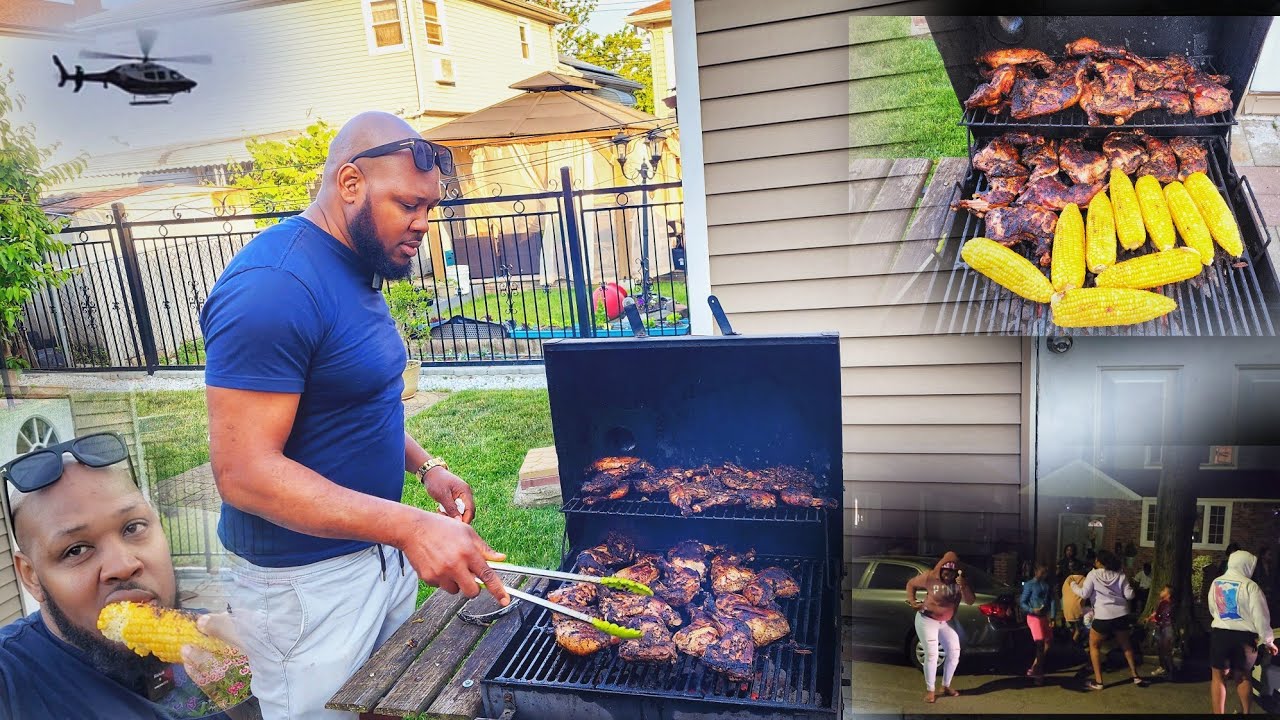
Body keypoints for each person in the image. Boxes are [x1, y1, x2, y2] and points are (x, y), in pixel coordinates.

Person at [200, 111, 511, 720]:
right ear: (349, 183)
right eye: (408, 205)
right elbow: (243, 472)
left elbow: (357, 399)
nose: (423, 224)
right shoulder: (275, 286)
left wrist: (426, 467)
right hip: (306, 586)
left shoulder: (353, 267)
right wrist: (411, 528)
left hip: (374, 552)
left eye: (430, 208)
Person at [0, 432, 249, 719]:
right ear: (31, 577)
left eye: (133, 528)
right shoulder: (12, 679)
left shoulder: (223, 642)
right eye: (76, 549)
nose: (123, 565)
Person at [1207, 549, 1275, 715]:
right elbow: (1261, 617)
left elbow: (1212, 608)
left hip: (1220, 634)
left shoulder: (1216, 583)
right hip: (1244, 638)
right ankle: (1246, 712)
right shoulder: (1251, 586)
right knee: (1243, 677)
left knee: (1217, 677)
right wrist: (1268, 640)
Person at [1070, 549, 1147, 691]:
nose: (1095, 561)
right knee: (1126, 646)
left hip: (1103, 616)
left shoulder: (1092, 575)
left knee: (1094, 647)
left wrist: (1072, 585)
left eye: (1096, 560)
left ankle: (1099, 682)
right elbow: (1129, 595)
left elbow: (1084, 594)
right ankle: (1135, 676)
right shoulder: (1120, 574)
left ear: (1100, 561)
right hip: (1121, 615)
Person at [905, 551, 976, 703]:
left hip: (946, 622)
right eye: (945, 572)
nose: (947, 576)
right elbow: (911, 584)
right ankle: (930, 690)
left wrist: (963, 586)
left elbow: (970, 601)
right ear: (940, 569)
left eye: (951, 573)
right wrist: (912, 600)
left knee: (954, 652)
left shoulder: (960, 582)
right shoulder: (930, 577)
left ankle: (945, 686)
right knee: (932, 654)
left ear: (956, 572)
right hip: (927, 619)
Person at [1019, 563, 1057, 683]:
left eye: (1045, 572)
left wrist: (1053, 616)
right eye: (1042, 571)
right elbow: (1022, 602)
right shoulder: (1030, 585)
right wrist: (1031, 610)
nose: (1044, 574)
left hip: (1044, 617)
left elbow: (1051, 601)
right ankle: (1038, 673)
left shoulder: (1046, 585)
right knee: (1040, 643)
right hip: (1033, 617)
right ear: (1036, 572)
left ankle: (1035, 666)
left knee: (1048, 642)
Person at [1145, 584, 1176, 678]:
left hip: (1166, 628)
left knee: (1165, 650)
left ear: (1168, 594)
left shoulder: (1166, 603)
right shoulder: (1163, 602)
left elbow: (1161, 616)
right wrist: (1151, 617)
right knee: (1162, 649)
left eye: (1164, 590)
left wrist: (1154, 619)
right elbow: (1157, 613)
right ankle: (1164, 668)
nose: (1161, 592)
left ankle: (1168, 671)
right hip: (1164, 628)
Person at [1061, 560, 1089, 647]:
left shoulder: (1068, 579)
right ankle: (1072, 648)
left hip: (1066, 610)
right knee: (1081, 629)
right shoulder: (1085, 580)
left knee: (1074, 628)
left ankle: (1073, 642)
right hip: (1077, 611)